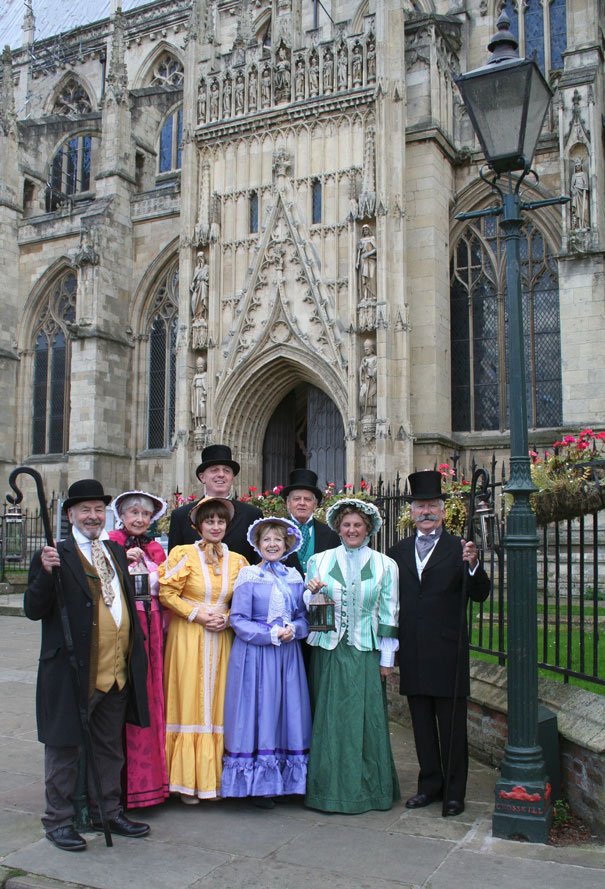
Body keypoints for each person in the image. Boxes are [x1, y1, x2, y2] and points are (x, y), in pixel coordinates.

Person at [24, 479, 150, 852]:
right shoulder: (55, 554)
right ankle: (58, 820)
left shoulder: (114, 550)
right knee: (65, 748)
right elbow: (33, 609)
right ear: (70, 515)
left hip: (116, 671)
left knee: (109, 747)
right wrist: (45, 575)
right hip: (73, 671)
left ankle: (106, 811)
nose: (93, 516)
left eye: (98, 510)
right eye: (85, 510)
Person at [388, 470, 490, 817]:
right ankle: (429, 785)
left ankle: (454, 793)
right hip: (413, 650)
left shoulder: (460, 548)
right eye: (420, 506)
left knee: (451, 726)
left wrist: (474, 565)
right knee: (420, 725)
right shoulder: (397, 552)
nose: (426, 511)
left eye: (432, 505)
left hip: (448, 649)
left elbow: (480, 595)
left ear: (443, 511)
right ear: (412, 512)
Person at [304, 498, 400, 814]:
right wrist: (310, 590)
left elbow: (389, 613)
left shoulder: (386, 565)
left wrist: (387, 659)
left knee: (366, 718)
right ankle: (327, 789)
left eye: (358, 525)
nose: (352, 530)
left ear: (368, 528)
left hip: (365, 649)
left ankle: (368, 790)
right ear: (338, 528)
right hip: (328, 649)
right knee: (329, 718)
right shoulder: (319, 561)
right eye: (346, 525)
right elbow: (307, 600)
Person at [159, 496, 248, 803]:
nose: (215, 526)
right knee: (189, 698)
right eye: (209, 521)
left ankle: (213, 780)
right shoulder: (182, 553)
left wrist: (228, 618)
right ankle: (186, 782)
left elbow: (247, 599)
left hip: (221, 637)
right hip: (189, 635)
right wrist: (195, 614)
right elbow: (167, 593)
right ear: (197, 525)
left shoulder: (237, 560)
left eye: (220, 521)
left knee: (219, 701)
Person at [221, 517, 311, 806]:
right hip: (256, 655)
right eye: (266, 540)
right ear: (257, 545)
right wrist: (270, 634)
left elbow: (301, 616)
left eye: (278, 540)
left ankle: (286, 780)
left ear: (287, 544)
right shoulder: (249, 576)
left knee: (287, 711)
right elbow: (238, 620)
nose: (272, 544)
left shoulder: (294, 577)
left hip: (287, 655)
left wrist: (294, 630)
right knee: (260, 709)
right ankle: (259, 785)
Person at [108, 490, 169, 810]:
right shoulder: (112, 543)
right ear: (121, 515)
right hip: (126, 630)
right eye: (133, 513)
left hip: (154, 632)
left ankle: (152, 785)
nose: (139, 519)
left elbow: (166, 590)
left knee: (151, 699)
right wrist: (121, 559)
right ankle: (121, 787)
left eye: (144, 515)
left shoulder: (156, 549)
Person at [167, 443, 262, 561]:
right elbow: (173, 562)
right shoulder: (181, 516)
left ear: (232, 477)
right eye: (214, 470)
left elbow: (258, 560)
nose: (221, 474)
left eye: (226, 471)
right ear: (202, 477)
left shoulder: (252, 515)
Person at [280, 468, 339, 578]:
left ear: (315, 505)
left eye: (307, 499)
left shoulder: (331, 534)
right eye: (297, 499)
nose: (302, 503)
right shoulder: (277, 532)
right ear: (288, 503)